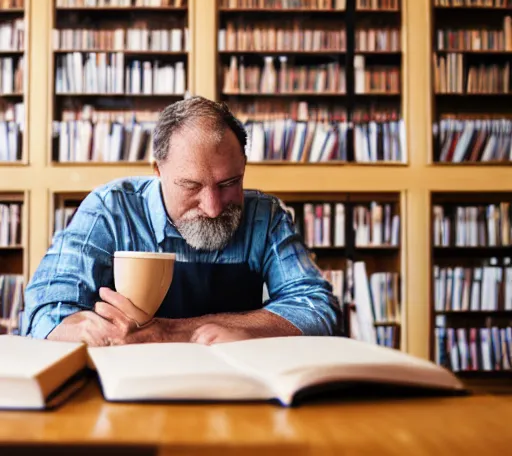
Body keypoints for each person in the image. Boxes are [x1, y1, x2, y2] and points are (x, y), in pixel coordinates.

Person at [22, 96, 341, 346]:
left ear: (243, 165)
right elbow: (44, 311)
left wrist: (172, 331)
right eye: (191, 186)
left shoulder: (265, 216)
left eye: (229, 183)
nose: (214, 208)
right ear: (157, 170)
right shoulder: (111, 208)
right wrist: (85, 329)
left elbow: (317, 308)